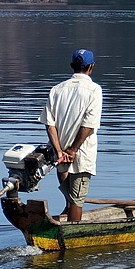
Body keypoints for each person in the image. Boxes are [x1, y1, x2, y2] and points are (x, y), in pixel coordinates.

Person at [39, 49, 102, 222]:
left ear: (71, 66)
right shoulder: (94, 90)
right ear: (91, 67)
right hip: (80, 154)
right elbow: (88, 126)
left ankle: (66, 217)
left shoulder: (57, 90)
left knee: (71, 198)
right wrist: (73, 150)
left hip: (60, 154)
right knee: (77, 201)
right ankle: (72, 234)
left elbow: (49, 123)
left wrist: (59, 151)